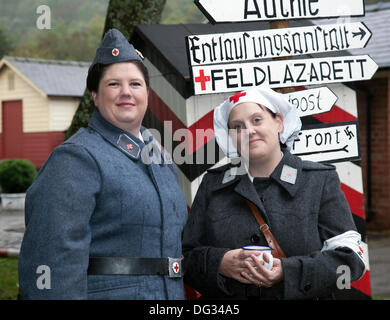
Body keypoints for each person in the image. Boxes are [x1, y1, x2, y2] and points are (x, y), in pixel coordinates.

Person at [18, 28, 188, 300]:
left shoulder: (158, 156)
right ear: (95, 96)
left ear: (147, 93)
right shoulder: (75, 158)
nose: (126, 92)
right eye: (113, 84)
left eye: (135, 84)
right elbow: (51, 263)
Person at [182, 87, 366, 300]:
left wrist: (289, 272)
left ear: (278, 122)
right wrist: (220, 263)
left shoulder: (318, 181)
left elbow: (351, 260)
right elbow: (185, 259)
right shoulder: (213, 185)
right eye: (238, 127)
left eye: (257, 120)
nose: (249, 131)